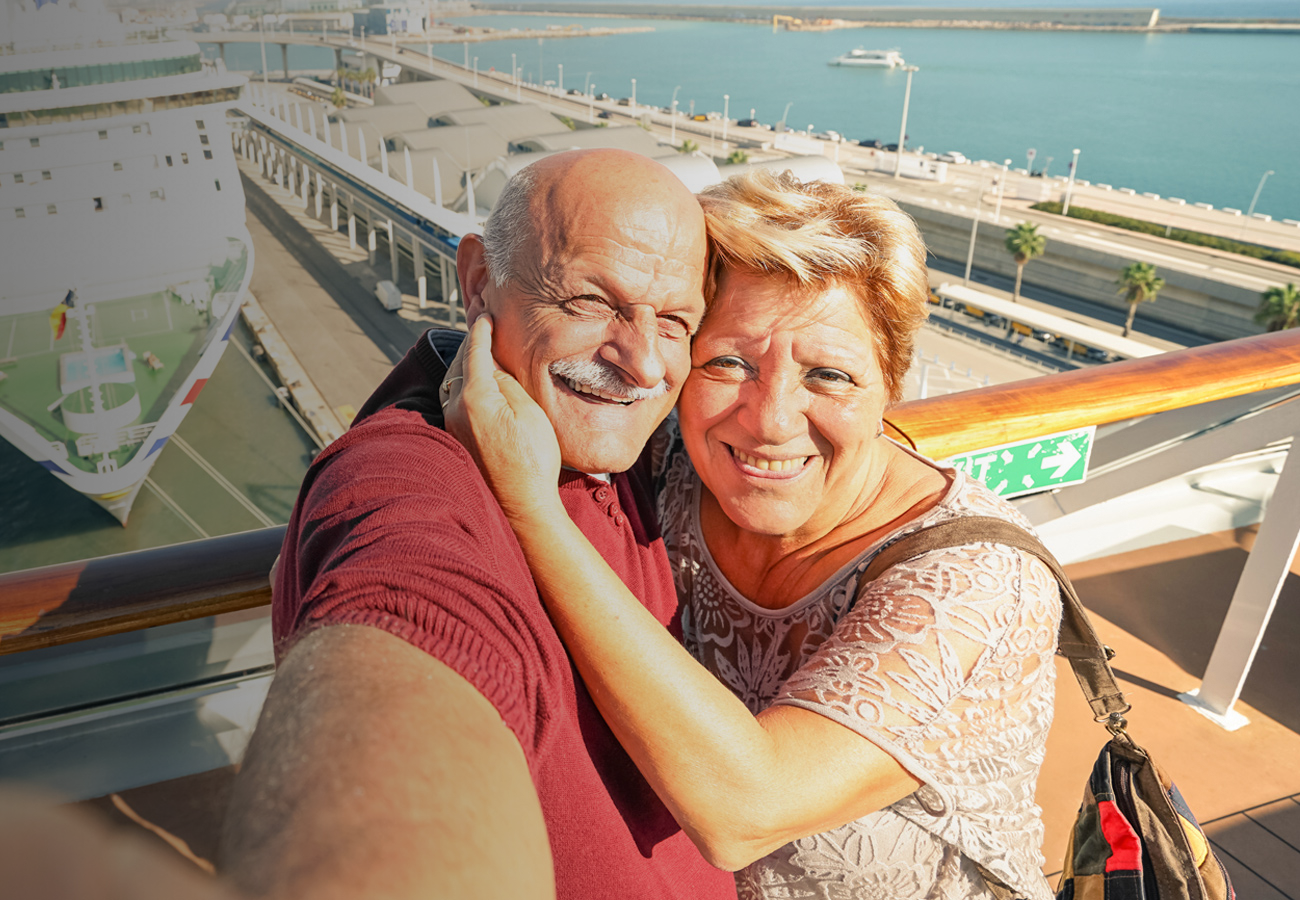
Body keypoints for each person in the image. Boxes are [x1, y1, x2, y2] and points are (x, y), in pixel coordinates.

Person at [445, 170, 1062, 900]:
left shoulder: (977, 582)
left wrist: (529, 507)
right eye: (730, 362)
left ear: (890, 386)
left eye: (828, 375)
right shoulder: (672, 465)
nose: (770, 420)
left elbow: (746, 810)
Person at [218, 149, 736, 900]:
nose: (643, 363)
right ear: (477, 282)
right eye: (592, 301)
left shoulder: (622, 443)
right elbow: (408, 618)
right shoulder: (405, 476)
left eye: (675, 322)